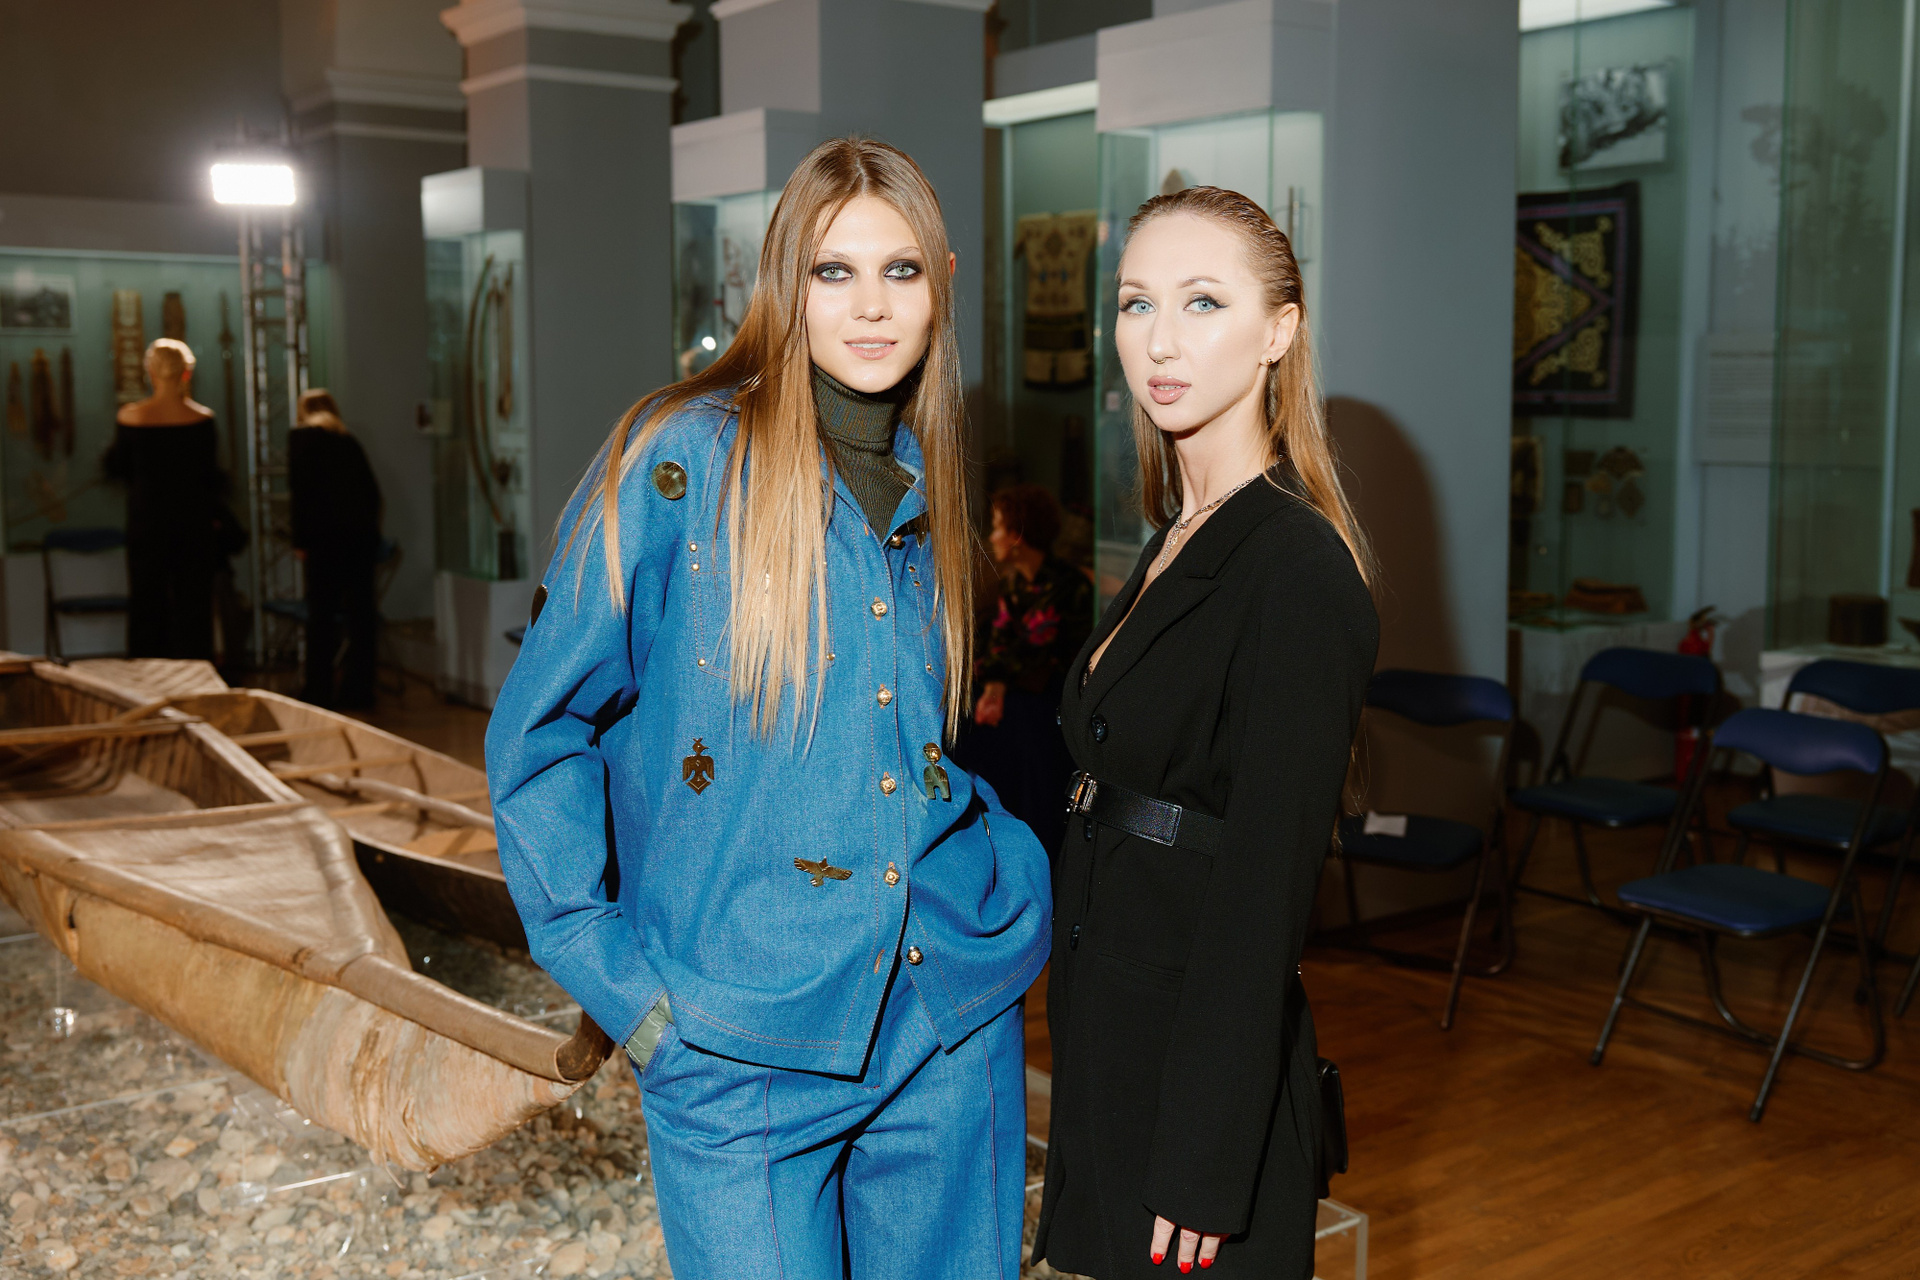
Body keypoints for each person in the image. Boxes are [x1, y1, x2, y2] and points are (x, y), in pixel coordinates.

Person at [485, 138, 1051, 1280]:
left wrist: (1008, 875)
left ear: (941, 282)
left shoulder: (931, 470)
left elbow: (908, 735)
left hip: (945, 1017)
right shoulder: (677, 460)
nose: (871, 306)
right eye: (834, 271)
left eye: (899, 270)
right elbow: (539, 732)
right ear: (784, 279)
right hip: (736, 1044)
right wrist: (631, 997)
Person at [1031, 186, 1377, 1279]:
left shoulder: (1297, 566)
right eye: (1137, 303)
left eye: (1203, 301)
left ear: (1279, 332)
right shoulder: (1179, 533)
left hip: (1195, 1087)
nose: (1160, 339)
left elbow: (1265, 895)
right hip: (1115, 1032)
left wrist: (1202, 1163)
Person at [957, 483, 1092, 856]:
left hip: (1052, 713)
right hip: (1019, 710)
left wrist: (996, 683)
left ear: (1017, 535)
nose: (991, 537)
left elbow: (1037, 651)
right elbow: (997, 650)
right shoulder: (1012, 584)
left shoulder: (1067, 585)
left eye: (998, 527)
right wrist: (994, 684)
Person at [104, 338, 222, 659]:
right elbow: (211, 479)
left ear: (151, 373)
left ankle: (147, 672)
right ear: (186, 373)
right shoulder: (203, 419)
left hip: (148, 521)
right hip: (192, 524)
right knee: (193, 604)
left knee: (147, 601)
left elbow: (118, 468)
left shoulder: (131, 416)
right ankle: (195, 674)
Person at [288, 389, 382, 708]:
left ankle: (318, 690)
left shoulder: (301, 439)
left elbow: (302, 493)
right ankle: (360, 691)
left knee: (321, 617)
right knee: (361, 618)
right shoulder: (347, 440)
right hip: (359, 539)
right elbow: (372, 494)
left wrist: (300, 540)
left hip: (324, 539)